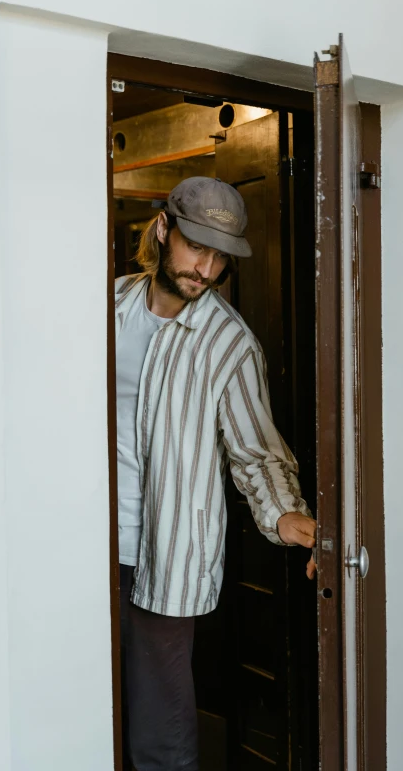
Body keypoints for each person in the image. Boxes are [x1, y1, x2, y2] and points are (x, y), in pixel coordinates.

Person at [115, 176, 316, 771]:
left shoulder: (230, 344)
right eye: (194, 246)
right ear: (162, 230)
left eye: (218, 257)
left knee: (160, 722)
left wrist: (285, 515)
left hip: (167, 547)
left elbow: (255, 451)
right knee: (80, 693)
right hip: (85, 541)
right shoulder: (111, 305)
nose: (204, 267)